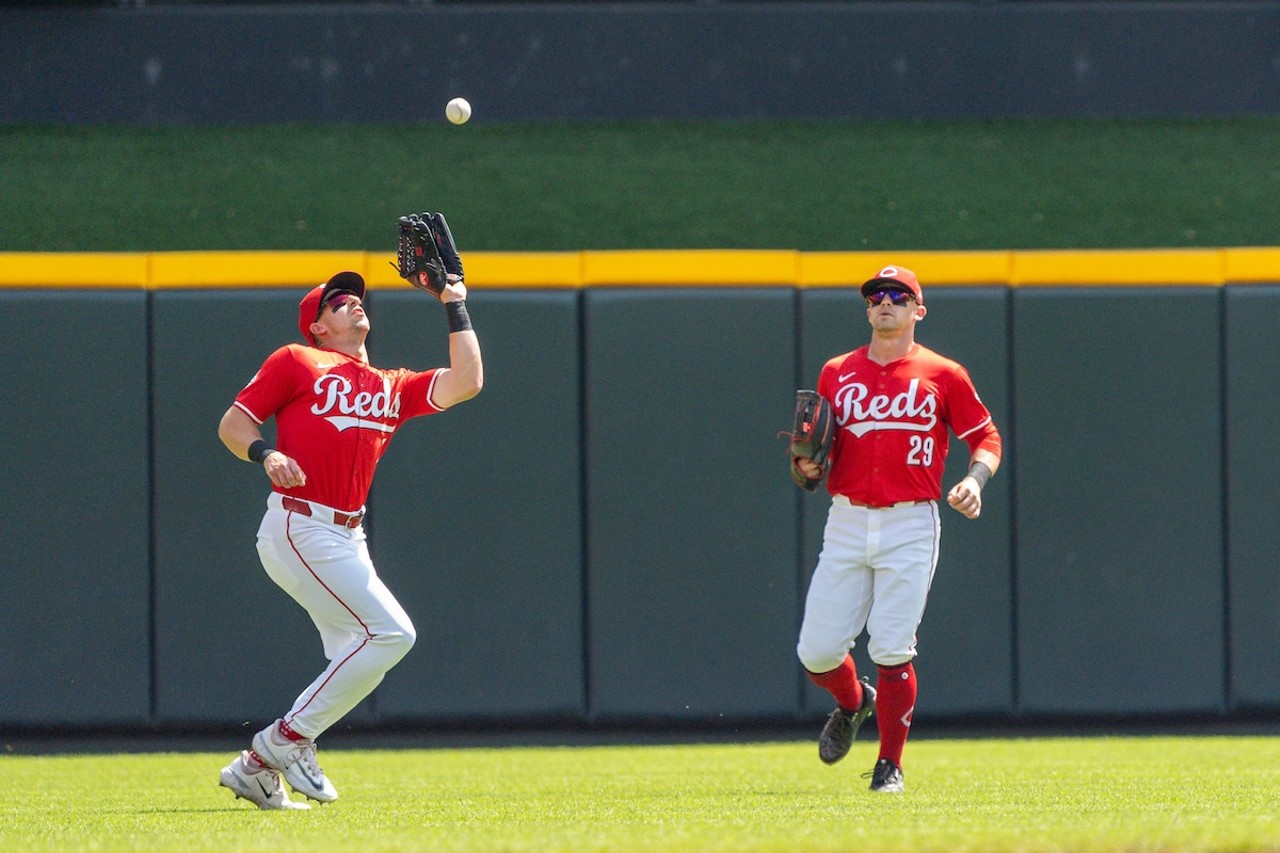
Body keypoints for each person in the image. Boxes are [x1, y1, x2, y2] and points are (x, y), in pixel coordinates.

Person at [216, 267, 482, 809]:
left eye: (356, 299)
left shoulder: (390, 384)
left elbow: (467, 382)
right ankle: (281, 742)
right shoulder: (296, 359)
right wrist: (265, 452)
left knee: (356, 658)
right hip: (299, 523)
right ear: (316, 326)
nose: (353, 305)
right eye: (337, 302)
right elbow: (232, 423)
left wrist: (453, 302)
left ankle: (259, 769)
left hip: (346, 536)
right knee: (392, 635)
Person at [793, 265, 1002, 794]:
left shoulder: (943, 373)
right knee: (816, 652)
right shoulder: (836, 371)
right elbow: (815, 451)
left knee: (891, 647)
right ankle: (852, 702)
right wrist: (806, 469)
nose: (886, 302)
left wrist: (975, 481)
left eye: (899, 295)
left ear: (918, 310)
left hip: (910, 521)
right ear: (867, 310)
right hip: (845, 518)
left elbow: (988, 438)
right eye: (876, 296)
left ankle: (890, 766)